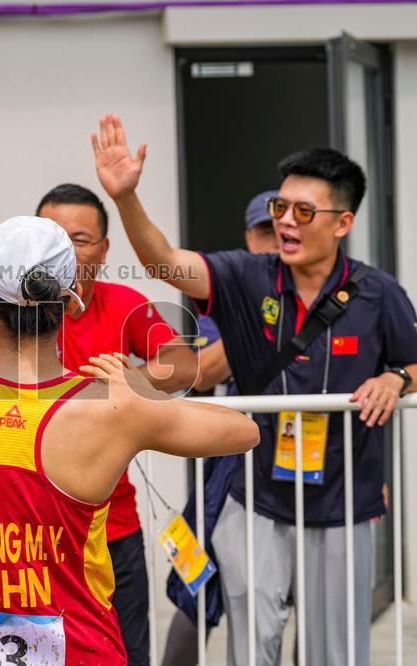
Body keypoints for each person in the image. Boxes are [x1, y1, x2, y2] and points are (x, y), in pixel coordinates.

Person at [90, 114, 417, 666]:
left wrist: (393, 379)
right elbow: (165, 262)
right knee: (253, 649)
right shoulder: (247, 275)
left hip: (346, 501)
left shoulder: (378, 292)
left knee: (336, 653)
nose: (287, 223)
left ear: (343, 222)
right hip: (254, 497)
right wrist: (128, 199)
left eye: (305, 212)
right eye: (280, 209)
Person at [0, 215, 259, 665]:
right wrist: (141, 394)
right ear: (69, 302)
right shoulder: (111, 410)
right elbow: (244, 431)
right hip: (85, 650)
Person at [0, 115, 199, 666]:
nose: (59, 249)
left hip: (107, 528)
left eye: (77, 239)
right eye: (48, 237)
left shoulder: (121, 303)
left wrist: (122, 389)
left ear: (103, 249)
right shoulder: (10, 304)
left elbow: (182, 364)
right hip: (14, 541)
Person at [162, 189, 280, 666]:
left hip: (310, 470)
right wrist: (270, 325)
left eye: (281, 232)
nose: (273, 242)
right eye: (263, 231)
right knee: (197, 576)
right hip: (232, 470)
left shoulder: (327, 294)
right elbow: (201, 370)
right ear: (249, 237)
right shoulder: (228, 301)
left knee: (293, 594)